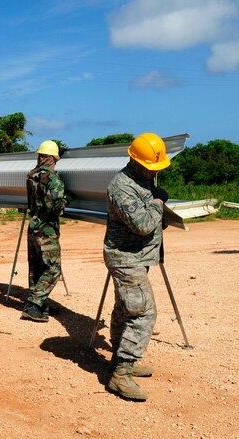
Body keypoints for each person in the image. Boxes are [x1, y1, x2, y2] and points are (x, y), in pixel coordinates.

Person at [103, 133, 171, 402]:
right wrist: (158, 203)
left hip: (139, 255)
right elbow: (142, 223)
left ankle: (119, 360)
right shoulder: (121, 186)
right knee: (143, 313)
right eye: (149, 166)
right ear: (135, 159)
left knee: (125, 308)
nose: (152, 171)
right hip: (126, 257)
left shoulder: (144, 178)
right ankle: (121, 373)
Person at [22, 140, 71, 322]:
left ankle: (40, 304)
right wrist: (67, 200)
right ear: (53, 158)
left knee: (36, 267)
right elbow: (54, 207)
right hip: (46, 230)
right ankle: (33, 305)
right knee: (52, 268)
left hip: (33, 226)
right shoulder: (53, 180)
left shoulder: (31, 175)